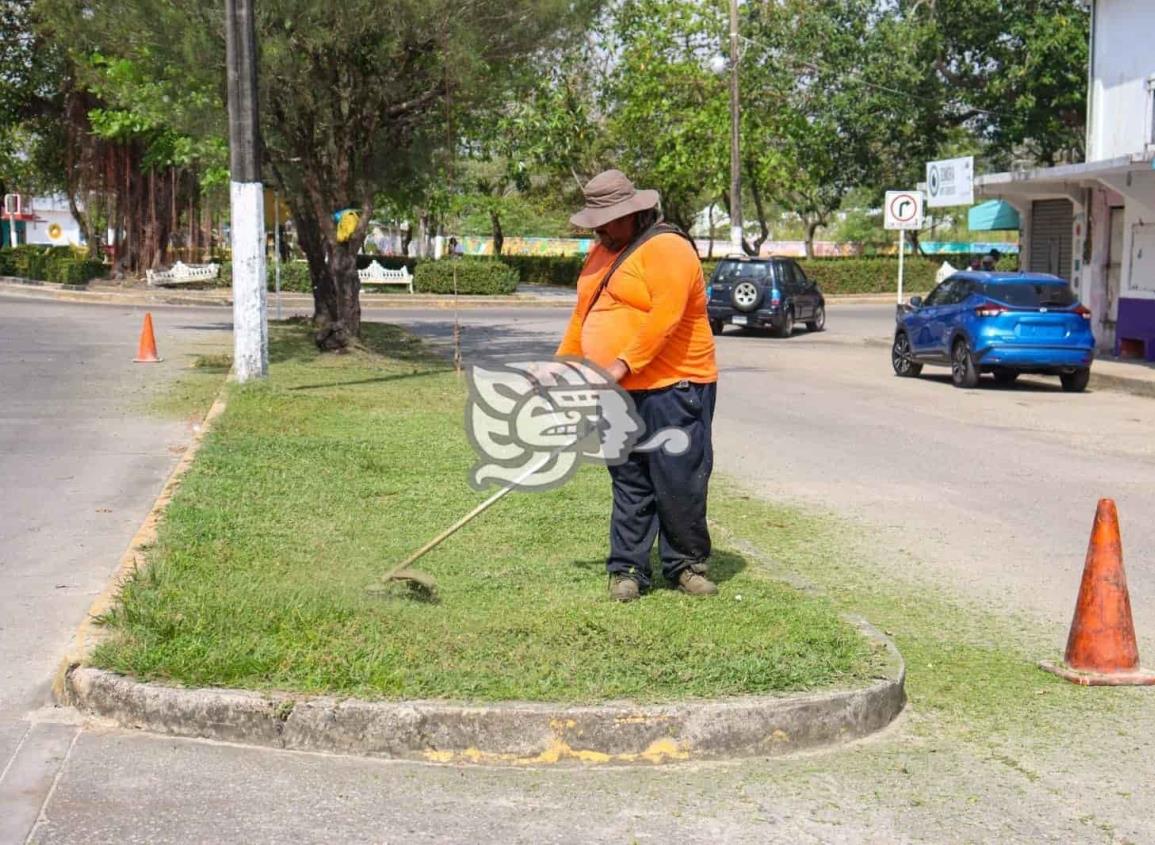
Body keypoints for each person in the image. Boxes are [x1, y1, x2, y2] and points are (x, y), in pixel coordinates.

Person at [556, 169, 719, 602]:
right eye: (596, 222)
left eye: (607, 220)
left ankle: (685, 565)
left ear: (635, 212)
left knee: (678, 478)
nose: (602, 229)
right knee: (629, 479)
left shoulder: (669, 248)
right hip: (619, 389)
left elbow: (664, 316)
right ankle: (628, 568)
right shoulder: (600, 254)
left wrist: (621, 365)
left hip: (675, 384)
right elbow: (583, 315)